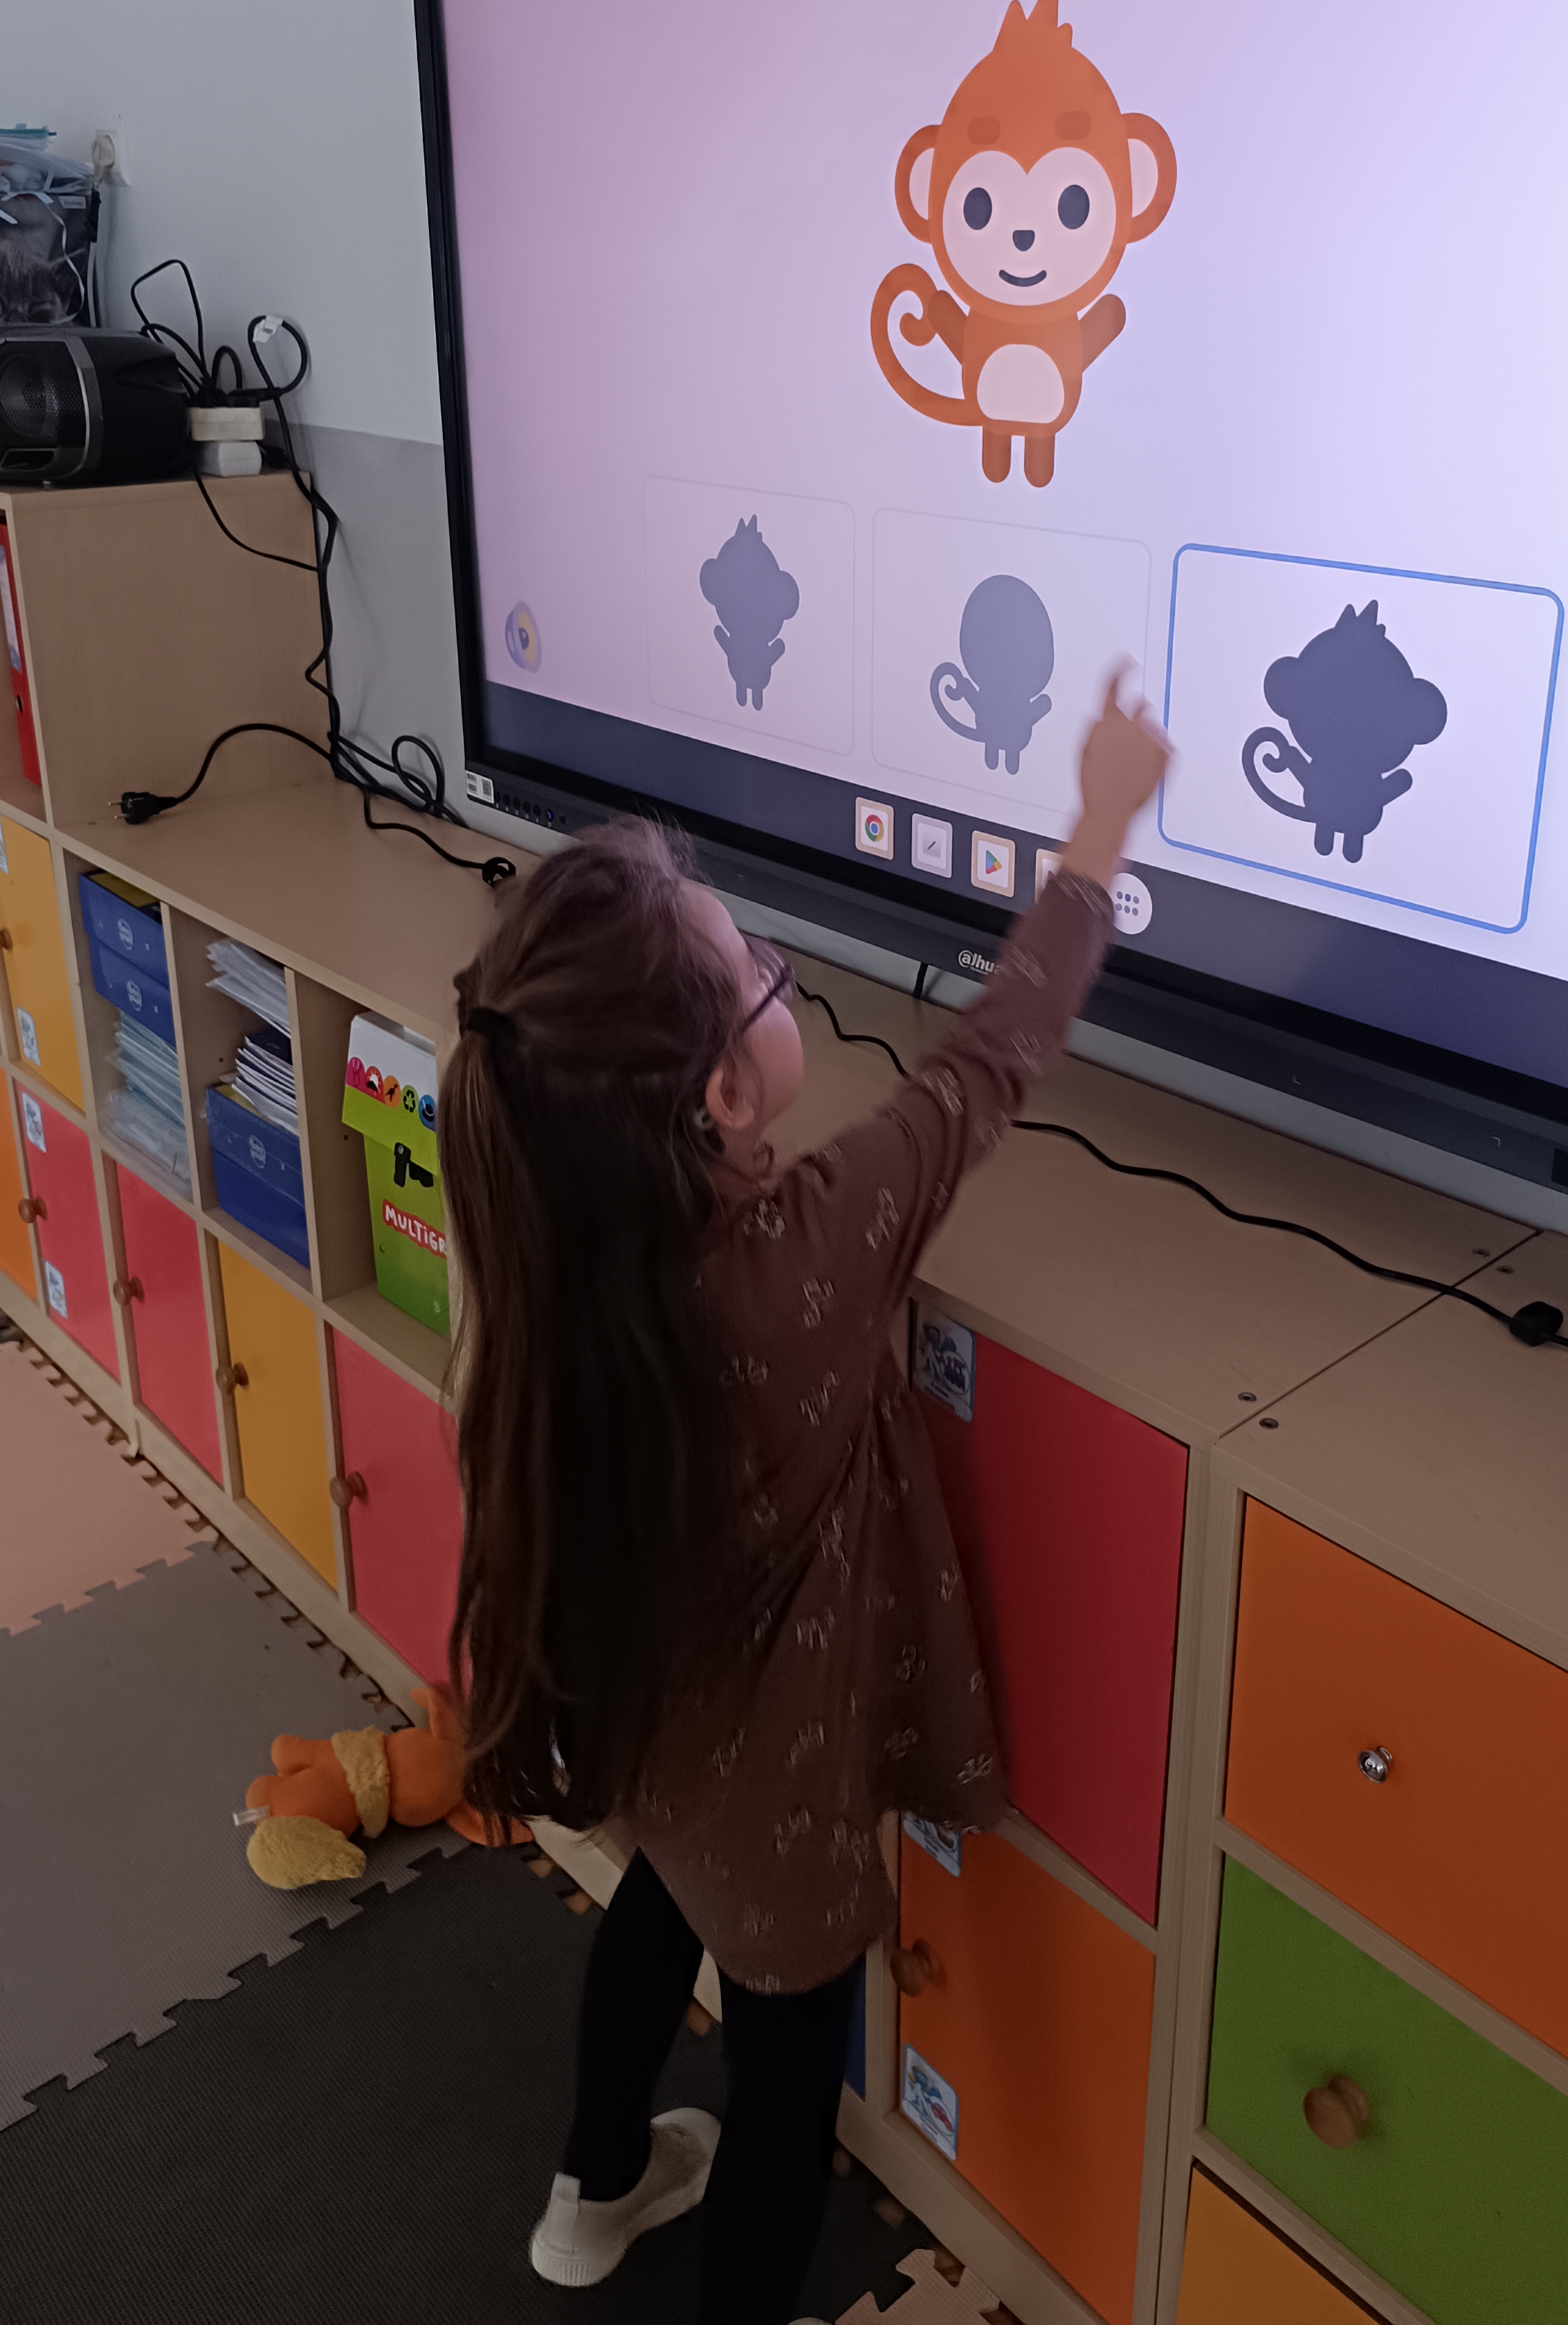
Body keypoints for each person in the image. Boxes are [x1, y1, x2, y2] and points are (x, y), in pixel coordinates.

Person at [441, 670, 1169, 2325]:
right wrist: (1099, 832)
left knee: (650, 1907)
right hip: (779, 1803)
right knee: (786, 2088)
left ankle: (593, 2190)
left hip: (652, 1741)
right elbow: (983, 1069)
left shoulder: (558, 1262)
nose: (782, 976)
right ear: (721, 1093)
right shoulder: (801, 1256)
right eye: (759, 968)